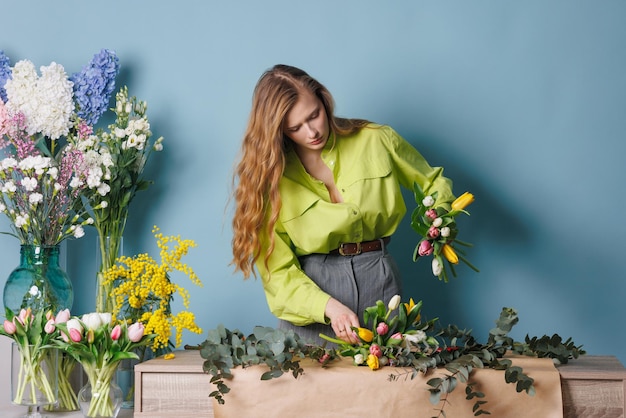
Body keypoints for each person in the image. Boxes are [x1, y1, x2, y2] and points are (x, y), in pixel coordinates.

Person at [231, 64, 455, 345]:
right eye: (295, 127)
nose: (311, 131)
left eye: (314, 115)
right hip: (311, 297)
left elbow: (432, 181)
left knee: (390, 386)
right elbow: (277, 273)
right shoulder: (270, 180)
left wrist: (439, 222)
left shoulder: (375, 140)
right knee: (308, 388)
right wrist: (328, 307)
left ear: (324, 101)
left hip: (380, 281)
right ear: (280, 131)